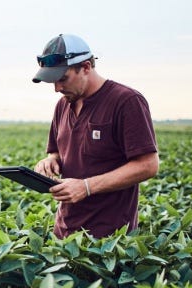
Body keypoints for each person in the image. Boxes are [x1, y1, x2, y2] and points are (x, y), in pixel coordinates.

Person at [31, 34, 159, 238]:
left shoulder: (126, 101)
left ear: (86, 66)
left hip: (111, 239)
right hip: (64, 232)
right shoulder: (63, 104)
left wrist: (87, 187)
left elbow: (148, 165)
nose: (57, 89)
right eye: (52, 82)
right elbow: (56, 152)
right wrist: (49, 162)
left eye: (63, 79)